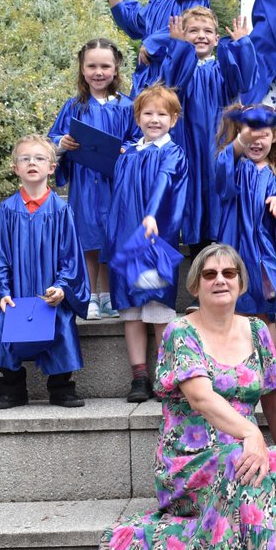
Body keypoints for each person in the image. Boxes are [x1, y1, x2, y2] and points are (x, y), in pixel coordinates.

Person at [90, 244, 276, 550]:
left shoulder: (257, 331)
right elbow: (201, 398)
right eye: (210, 274)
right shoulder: (180, 332)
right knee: (241, 462)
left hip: (240, 452)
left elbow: (275, 404)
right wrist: (251, 433)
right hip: (189, 461)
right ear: (195, 287)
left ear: (241, 284)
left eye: (229, 274)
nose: (220, 280)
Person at [0, 134, 90, 408]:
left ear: (51, 167)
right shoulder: (7, 210)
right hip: (15, 293)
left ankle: (62, 386)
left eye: (39, 158)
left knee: (61, 323)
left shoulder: (62, 210)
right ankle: (12, 387)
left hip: (51, 291)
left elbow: (71, 256)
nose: (32, 163)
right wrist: (1, 292)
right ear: (15, 168)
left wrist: (63, 287)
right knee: (4, 324)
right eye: (25, 158)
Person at [103, 84, 188, 403]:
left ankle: (166, 374)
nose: (154, 119)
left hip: (154, 241)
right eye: (148, 113)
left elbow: (165, 183)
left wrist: (152, 216)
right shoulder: (129, 154)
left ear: (174, 119)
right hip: (126, 242)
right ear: (137, 117)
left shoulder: (172, 152)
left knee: (157, 309)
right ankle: (139, 375)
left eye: (161, 114)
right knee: (131, 311)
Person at [49, 38, 140, 320]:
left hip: (116, 184)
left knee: (112, 239)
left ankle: (109, 295)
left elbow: (139, 140)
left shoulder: (127, 106)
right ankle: (88, 295)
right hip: (86, 183)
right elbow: (53, 139)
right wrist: (62, 143)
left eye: (105, 66)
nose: (98, 72)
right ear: (82, 69)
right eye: (92, 66)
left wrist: (127, 150)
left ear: (116, 68)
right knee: (87, 238)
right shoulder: (74, 106)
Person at [161, 6, 257, 251]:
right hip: (189, 152)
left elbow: (244, 80)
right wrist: (178, 48)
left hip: (219, 151)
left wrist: (243, 45)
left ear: (216, 39)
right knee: (196, 216)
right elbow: (171, 84)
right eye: (193, 31)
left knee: (221, 216)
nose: (201, 35)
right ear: (183, 35)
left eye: (208, 31)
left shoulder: (223, 70)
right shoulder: (181, 70)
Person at [214, 104, 276, 349]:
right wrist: (239, 141)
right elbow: (221, 177)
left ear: (275, 135)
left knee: (266, 313)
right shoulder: (235, 166)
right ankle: (238, 368)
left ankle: (269, 371)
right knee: (237, 310)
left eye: (263, 135)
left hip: (265, 254)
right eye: (249, 136)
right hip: (235, 249)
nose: (255, 142)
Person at [91, 0, 209, 94]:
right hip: (146, 76)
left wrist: (151, 43)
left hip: (174, 73)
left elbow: (190, 24)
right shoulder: (159, 0)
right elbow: (134, 22)